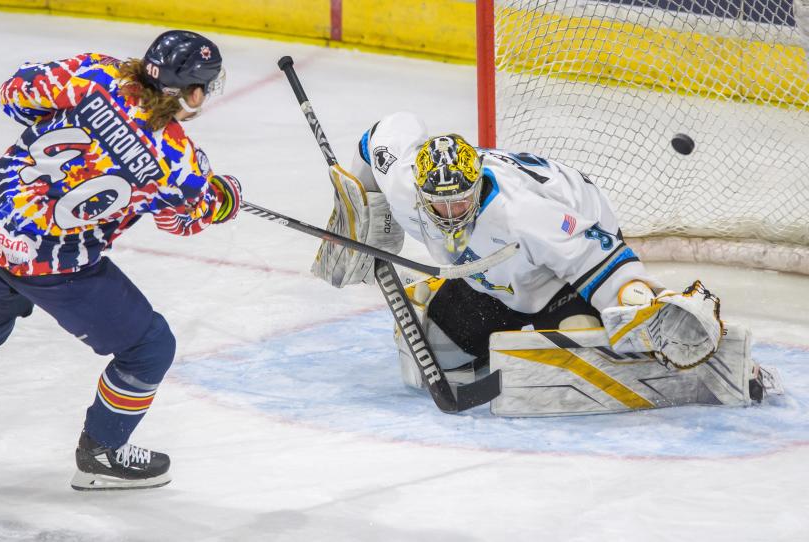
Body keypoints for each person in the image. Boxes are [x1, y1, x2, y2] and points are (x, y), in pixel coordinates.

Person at [0, 30, 242, 491]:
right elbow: (184, 219)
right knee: (149, 347)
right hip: (54, 264)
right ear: (195, 92)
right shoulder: (176, 160)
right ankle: (102, 453)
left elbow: (14, 94)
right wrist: (225, 196)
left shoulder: (95, 73)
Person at [311, 112, 781, 411]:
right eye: (441, 204)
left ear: (476, 187)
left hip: (565, 262)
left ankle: (683, 343)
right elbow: (382, 134)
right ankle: (492, 309)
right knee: (436, 355)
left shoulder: (524, 214)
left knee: (574, 341)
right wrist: (360, 196)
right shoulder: (404, 180)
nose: (453, 214)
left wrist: (638, 300)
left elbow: (601, 260)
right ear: (420, 189)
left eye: (462, 202)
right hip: (490, 278)